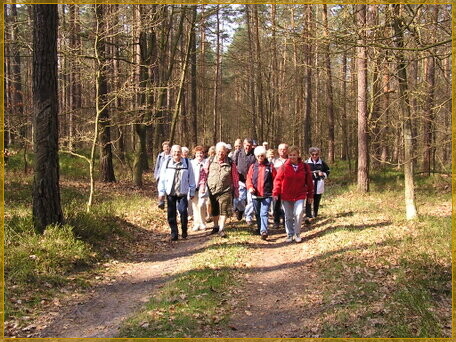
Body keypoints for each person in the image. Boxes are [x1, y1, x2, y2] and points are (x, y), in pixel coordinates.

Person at [273, 146, 313, 243]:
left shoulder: (304, 166)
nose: (292, 157)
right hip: (286, 195)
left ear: (298, 155)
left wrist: (310, 195)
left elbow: (309, 182)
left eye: (294, 155)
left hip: (300, 194)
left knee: (299, 213)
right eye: (290, 155)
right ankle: (290, 234)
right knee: (288, 216)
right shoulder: (284, 167)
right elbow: (277, 180)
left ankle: (297, 233)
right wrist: (275, 192)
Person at [200, 142, 239, 237]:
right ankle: (216, 226)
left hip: (225, 190)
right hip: (212, 189)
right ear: (216, 151)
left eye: (222, 152)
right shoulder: (210, 160)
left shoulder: (230, 162)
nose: (220, 154)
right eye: (219, 151)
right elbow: (204, 174)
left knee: (224, 209)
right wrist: (202, 186)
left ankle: (221, 229)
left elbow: (235, 177)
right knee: (215, 209)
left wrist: (236, 190)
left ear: (226, 152)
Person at [158, 145, 196, 241]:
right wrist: (161, 192)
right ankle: (174, 233)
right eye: (174, 152)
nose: (177, 153)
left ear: (181, 153)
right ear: (171, 153)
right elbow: (162, 179)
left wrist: (192, 191)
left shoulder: (187, 163)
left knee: (183, 211)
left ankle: (184, 230)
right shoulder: (166, 163)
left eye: (178, 151)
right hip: (170, 192)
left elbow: (191, 178)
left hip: (182, 192)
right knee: (171, 214)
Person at [246, 146, 276, 240]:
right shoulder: (252, 166)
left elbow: (276, 179)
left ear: (265, 155)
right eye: (258, 156)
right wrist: (250, 187)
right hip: (255, 195)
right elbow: (248, 179)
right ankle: (260, 228)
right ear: (256, 156)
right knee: (258, 213)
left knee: (264, 213)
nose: (260, 157)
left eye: (262, 155)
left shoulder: (270, 166)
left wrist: (275, 191)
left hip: (267, 194)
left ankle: (264, 231)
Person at [233, 138, 256, 224]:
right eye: (246, 145)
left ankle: (248, 217)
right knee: (240, 199)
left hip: (251, 180)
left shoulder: (254, 153)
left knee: (250, 200)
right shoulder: (238, 153)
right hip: (240, 180)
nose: (248, 147)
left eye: (250, 146)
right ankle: (240, 210)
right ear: (244, 144)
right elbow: (233, 164)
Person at [305, 147, 330, 223]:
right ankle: (308, 215)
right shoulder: (306, 163)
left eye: (316, 154)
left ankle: (315, 214)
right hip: (310, 184)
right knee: (309, 200)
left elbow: (328, 171)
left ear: (319, 154)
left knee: (317, 200)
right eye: (313, 154)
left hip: (319, 184)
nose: (315, 156)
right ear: (310, 154)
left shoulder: (322, 163)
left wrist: (323, 174)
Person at [190, 146, 208, 231]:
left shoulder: (207, 162)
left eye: (201, 153)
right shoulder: (192, 163)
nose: (199, 155)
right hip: (194, 188)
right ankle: (196, 223)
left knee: (201, 205)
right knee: (195, 206)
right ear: (195, 154)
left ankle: (202, 223)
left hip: (203, 187)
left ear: (203, 154)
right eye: (198, 153)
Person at [272, 143, 288, 229]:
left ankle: (286, 222)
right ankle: (276, 221)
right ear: (278, 151)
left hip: (287, 186)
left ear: (287, 150)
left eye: (284, 149)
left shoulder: (290, 161)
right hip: (276, 186)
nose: (282, 151)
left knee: (286, 205)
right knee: (276, 205)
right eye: (281, 149)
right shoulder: (274, 161)